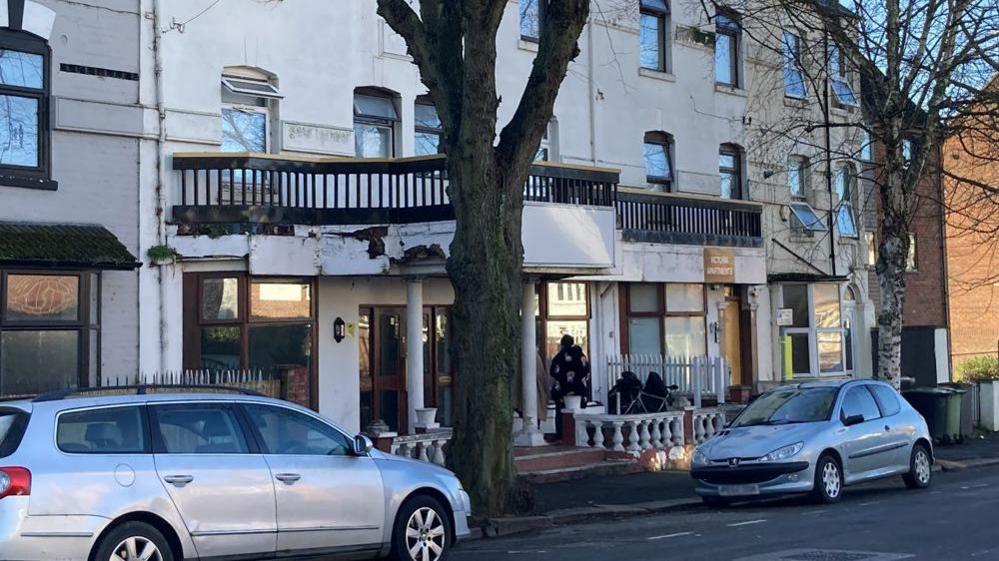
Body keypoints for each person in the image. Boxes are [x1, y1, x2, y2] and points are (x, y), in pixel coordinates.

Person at [549, 334, 590, 440]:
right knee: (578, 412)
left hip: (562, 390)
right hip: (579, 389)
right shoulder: (581, 356)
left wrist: (563, 380)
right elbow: (586, 370)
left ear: (562, 344)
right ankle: (580, 435)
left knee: (561, 412)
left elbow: (553, 371)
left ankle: (561, 434)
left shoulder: (559, 357)